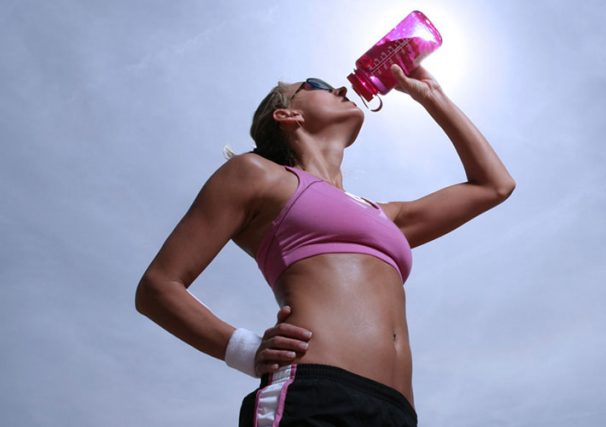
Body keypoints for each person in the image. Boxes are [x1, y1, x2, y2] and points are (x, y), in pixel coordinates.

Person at [135, 64, 515, 426]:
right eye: (315, 83)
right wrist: (245, 350)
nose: (341, 88)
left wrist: (432, 95)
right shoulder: (257, 176)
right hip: (313, 396)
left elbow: (493, 185)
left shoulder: (383, 215)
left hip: (397, 411)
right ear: (287, 116)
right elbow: (158, 287)